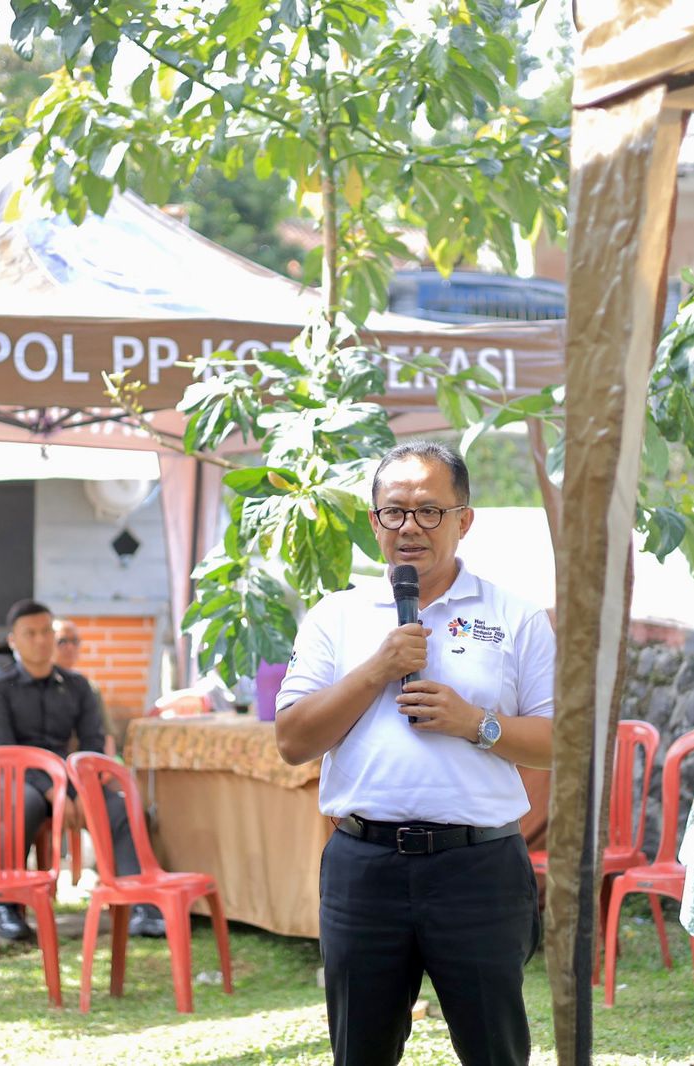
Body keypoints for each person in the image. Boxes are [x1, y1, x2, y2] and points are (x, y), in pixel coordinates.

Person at [275, 440, 554, 1066]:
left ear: (464, 519)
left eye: (429, 511)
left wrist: (475, 723)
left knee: (495, 1051)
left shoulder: (517, 617)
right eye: (394, 511)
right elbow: (292, 741)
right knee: (361, 1052)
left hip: (479, 869)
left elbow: (558, 743)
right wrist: (377, 669)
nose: (410, 527)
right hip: (363, 866)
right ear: (374, 521)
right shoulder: (335, 616)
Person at [0, 599, 164, 941]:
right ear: (13, 641)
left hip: (69, 780)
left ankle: (142, 906)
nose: (40, 640)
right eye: (30, 633)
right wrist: (56, 790)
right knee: (23, 803)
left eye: (46, 631)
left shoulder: (78, 686)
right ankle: (6, 905)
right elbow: (3, 752)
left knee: (120, 807)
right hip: (13, 780)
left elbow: (92, 744)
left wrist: (77, 790)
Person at [51, 617, 116, 756]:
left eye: (74, 641)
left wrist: (108, 764)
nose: (70, 647)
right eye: (62, 641)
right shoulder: (35, 685)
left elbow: (106, 734)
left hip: (80, 761)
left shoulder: (89, 687)